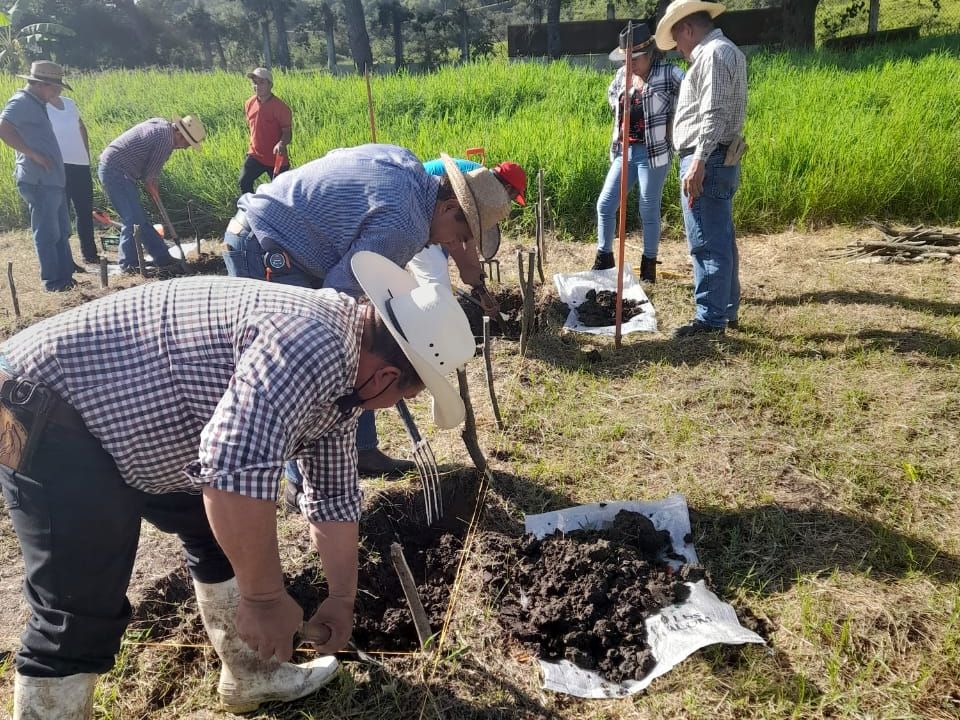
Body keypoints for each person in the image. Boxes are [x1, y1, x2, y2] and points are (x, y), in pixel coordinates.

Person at [0, 253, 476, 718]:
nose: (396, 405)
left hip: (139, 422)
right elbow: (233, 470)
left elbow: (332, 497)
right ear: (388, 376)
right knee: (78, 604)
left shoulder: (348, 379)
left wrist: (341, 598)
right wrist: (263, 597)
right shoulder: (313, 344)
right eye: (407, 396)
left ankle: (251, 676)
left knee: (220, 540)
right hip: (47, 406)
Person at [222, 143, 511, 477]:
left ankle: (362, 450)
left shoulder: (407, 164)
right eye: (457, 236)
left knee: (355, 346)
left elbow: (335, 160)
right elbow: (334, 301)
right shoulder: (406, 227)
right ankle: (299, 480)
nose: (448, 245)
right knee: (300, 356)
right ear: (448, 208)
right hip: (265, 245)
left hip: (275, 231)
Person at [655, 0, 747, 336]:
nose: (678, 48)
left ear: (688, 29)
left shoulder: (712, 55)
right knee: (720, 236)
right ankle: (726, 309)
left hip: (707, 157)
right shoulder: (726, 52)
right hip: (717, 156)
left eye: (677, 40)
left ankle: (710, 320)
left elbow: (714, 114)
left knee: (706, 241)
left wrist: (698, 161)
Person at [593, 24, 684, 284]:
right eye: (627, 60)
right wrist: (620, 106)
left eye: (635, 59)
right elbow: (612, 94)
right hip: (625, 150)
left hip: (653, 153)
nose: (630, 64)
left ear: (650, 54)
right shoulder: (623, 75)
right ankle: (604, 258)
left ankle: (648, 264)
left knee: (647, 206)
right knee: (605, 204)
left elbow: (691, 93)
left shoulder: (668, 74)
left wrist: (674, 120)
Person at [0, 61, 77, 292]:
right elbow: (3, 126)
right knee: (47, 231)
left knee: (62, 230)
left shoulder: (37, 103)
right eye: (56, 88)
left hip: (52, 179)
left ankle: (65, 277)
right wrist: (33, 154)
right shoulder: (22, 101)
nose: (58, 92)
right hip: (39, 179)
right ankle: (53, 282)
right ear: (42, 85)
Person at [98, 115, 206, 274]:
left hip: (118, 170)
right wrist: (153, 189)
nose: (186, 148)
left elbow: (150, 176)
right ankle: (128, 265)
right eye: (187, 144)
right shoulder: (165, 141)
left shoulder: (163, 126)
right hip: (116, 172)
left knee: (139, 219)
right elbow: (149, 179)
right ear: (180, 134)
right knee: (132, 219)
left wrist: (152, 186)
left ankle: (162, 258)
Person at [410, 157, 527, 294]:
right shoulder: (479, 182)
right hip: (415, 212)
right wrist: (468, 270)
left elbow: (467, 237)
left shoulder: (481, 178)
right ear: (507, 188)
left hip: (429, 215)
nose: (508, 201)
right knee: (436, 278)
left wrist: (479, 287)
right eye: (512, 197)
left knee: (434, 274)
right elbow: (459, 231)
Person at [47, 81, 98, 264]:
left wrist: (86, 154)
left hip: (80, 163)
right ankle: (66, 259)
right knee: (63, 214)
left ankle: (90, 254)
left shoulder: (69, 103)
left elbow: (81, 127)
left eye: (59, 85)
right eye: (54, 85)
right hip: (58, 165)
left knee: (84, 210)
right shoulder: (41, 107)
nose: (58, 88)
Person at [239, 67, 293, 195]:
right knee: (244, 182)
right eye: (255, 83)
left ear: (270, 85)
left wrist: (281, 143)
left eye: (262, 82)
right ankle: (252, 211)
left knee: (281, 194)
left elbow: (288, 133)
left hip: (276, 158)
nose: (257, 86)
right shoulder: (249, 103)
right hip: (255, 155)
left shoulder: (281, 107)